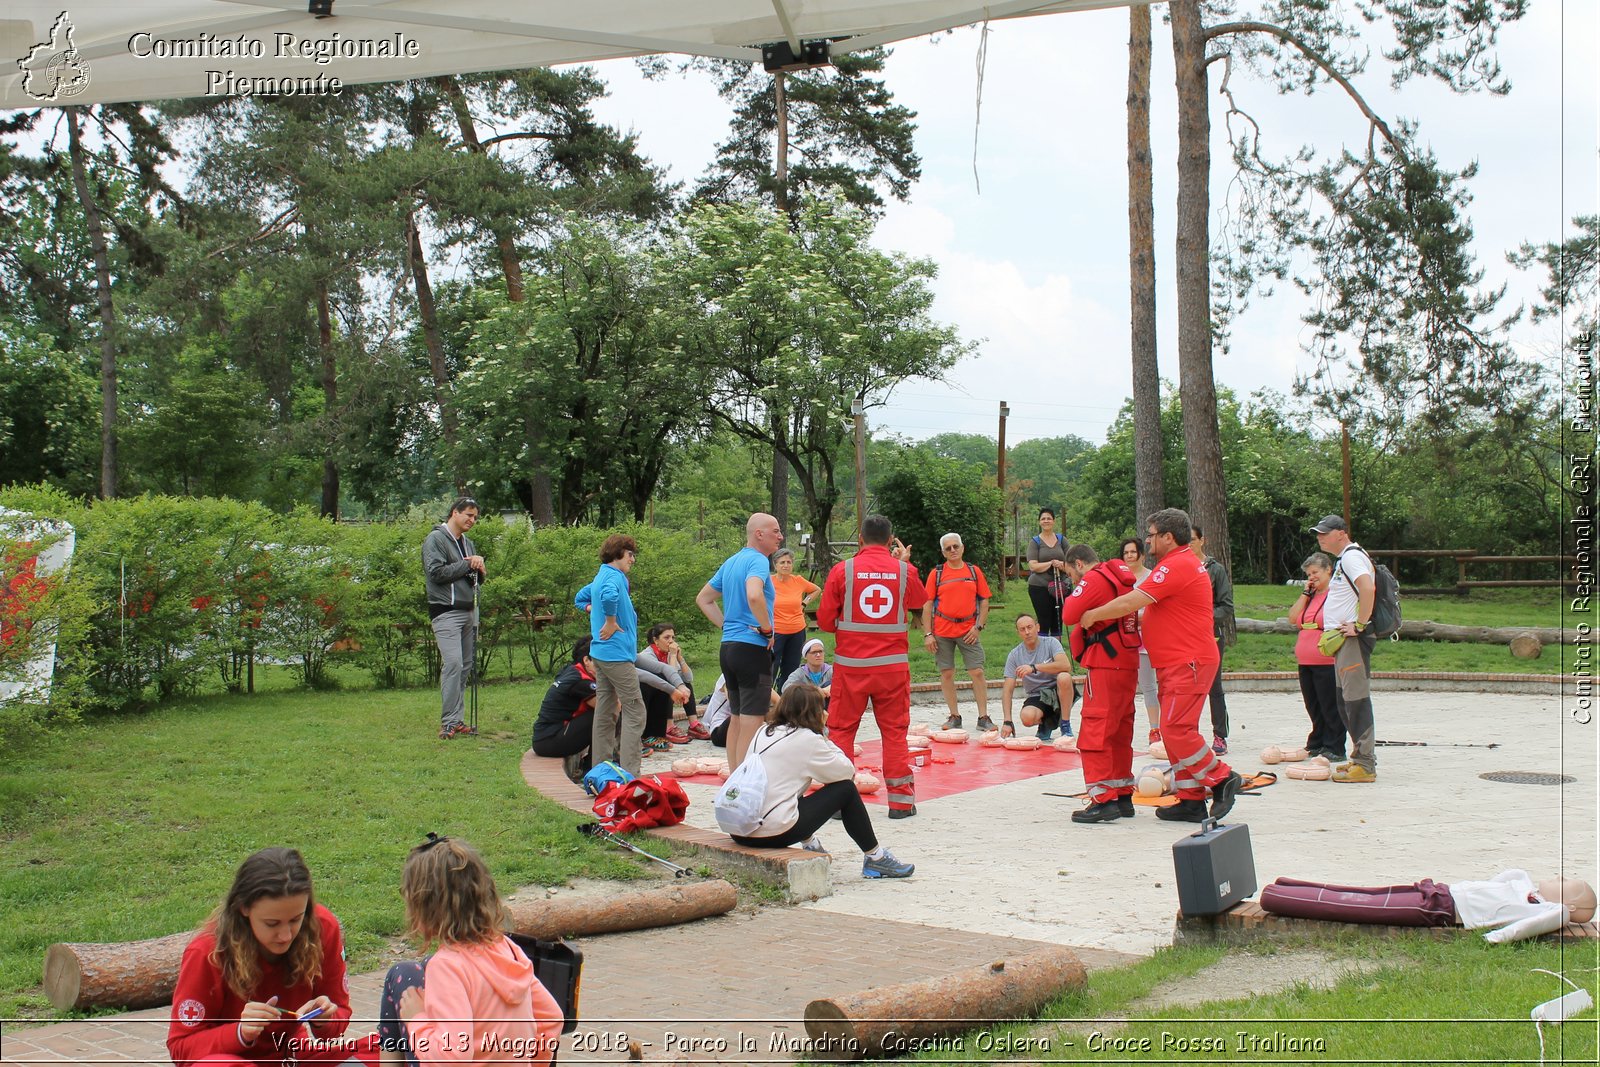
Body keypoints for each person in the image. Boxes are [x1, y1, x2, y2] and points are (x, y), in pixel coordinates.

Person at [1078, 508, 1241, 823]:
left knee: (1175, 729)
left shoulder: (1176, 565)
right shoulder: (1177, 564)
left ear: (1168, 537)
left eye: (1152, 534)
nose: (1147, 539)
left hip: (1187, 662)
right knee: (1177, 730)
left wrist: (1093, 614)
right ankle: (1192, 800)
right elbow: (1152, 612)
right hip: (1176, 662)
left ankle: (1221, 778)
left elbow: (1132, 601)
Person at [374, 834, 562, 1065]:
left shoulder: (447, 966)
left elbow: (451, 1056)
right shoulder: (508, 949)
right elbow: (552, 1017)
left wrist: (417, 1020)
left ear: (425, 906)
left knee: (401, 980)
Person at [167, 847, 352, 1066]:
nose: (285, 935)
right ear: (244, 907)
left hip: (292, 1055)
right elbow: (181, 1047)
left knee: (383, 1049)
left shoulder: (322, 927)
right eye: (271, 924)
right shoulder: (208, 952)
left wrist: (325, 1020)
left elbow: (339, 1013)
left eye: (296, 920)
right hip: (234, 1061)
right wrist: (240, 1033)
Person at [726, 685, 915, 878]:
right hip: (769, 834)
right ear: (812, 712)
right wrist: (822, 735)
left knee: (789, 788)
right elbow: (846, 771)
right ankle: (876, 858)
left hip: (739, 827)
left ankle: (812, 846)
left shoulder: (764, 731)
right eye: (821, 707)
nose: (825, 712)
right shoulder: (807, 739)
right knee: (846, 790)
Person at [818, 514, 927, 819]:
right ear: (891, 541)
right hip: (891, 671)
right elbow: (920, 598)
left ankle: (839, 803)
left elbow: (826, 621)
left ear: (860, 540)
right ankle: (901, 803)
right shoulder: (903, 571)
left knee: (841, 731)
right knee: (894, 733)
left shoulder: (843, 570)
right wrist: (905, 563)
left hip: (851, 668)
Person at [1058, 543, 1142, 823]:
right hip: (1127, 660)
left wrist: (1077, 591)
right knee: (1119, 730)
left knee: (1096, 731)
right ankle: (1122, 795)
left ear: (1079, 564)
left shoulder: (1094, 579)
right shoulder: (1120, 577)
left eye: (1072, 575)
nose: (1073, 581)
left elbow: (1069, 615)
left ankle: (1102, 799)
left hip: (1105, 662)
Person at [696, 513, 783, 770]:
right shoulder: (757, 560)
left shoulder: (732, 561)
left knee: (736, 717)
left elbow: (703, 599)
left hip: (729, 648)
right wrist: (767, 630)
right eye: (775, 531)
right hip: (752, 649)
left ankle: (734, 778)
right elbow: (754, 595)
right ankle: (744, 784)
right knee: (752, 720)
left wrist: (727, 625)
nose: (780, 536)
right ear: (759, 534)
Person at [1310, 514, 1379, 783]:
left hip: (1352, 641)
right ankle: (1358, 759)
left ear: (1341, 533)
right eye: (1318, 533)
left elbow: (1367, 587)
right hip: (1342, 641)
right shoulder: (1345, 559)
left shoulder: (1351, 557)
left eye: (1325, 532)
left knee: (1356, 701)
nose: (1320, 537)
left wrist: (1360, 624)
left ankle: (1365, 764)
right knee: (1345, 701)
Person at [577, 534, 645, 775]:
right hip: (615, 655)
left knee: (605, 710)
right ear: (618, 554)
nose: (633, 560)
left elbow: (580, 598)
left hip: (601, 654)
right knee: (635, 709)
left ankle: (600, 771)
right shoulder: (612, 578)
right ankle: (631, 775)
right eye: (630, 555)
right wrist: (610, 621)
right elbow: (608, 596)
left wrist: (591, 609)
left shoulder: (603, 575)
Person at [423, 497, 484, 740]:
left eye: (475, 517)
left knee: (464, 667)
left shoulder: (467, 543)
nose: (472, 520)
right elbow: (436, 573)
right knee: (453, 664)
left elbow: (471, 578)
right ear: (454, 513)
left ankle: (457, 720)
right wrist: (468, 564)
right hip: (445, 612)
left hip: (468, 610)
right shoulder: (435, 539)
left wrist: (479, 570)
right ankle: (448, 722)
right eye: (468, 515)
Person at [920, 532, 993, 731]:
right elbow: (927, 605)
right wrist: (928, 634)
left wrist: (978, 627)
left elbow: (984, 600)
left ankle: (983, 717)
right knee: (947, 672)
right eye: (948, 548)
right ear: (943, 552)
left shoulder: (973, 571)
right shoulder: (936, 574)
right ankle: (954, 716)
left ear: (962, 548)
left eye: (955, 546)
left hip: (969, 630)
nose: (952, 550)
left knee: (977, 671)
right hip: (942, 630)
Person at [1290, 552, 1346, 761]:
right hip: (1306, 659)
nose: (1312, 576)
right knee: (1312, 704)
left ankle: (1335, 745)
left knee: (1329, 704)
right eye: (1308, 573)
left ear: (1328, 570)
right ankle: (1318, 740)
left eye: (1315, 572)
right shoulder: (1311, 595)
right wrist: (1305, 593)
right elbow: (1293, 618)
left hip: (1326, 660)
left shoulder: (1336, 594)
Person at [530, 638, 600, 783]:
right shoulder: (581, 681)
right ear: (587, 660)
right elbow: (613, 708)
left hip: (544, 739)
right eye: (600, 662)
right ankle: (592, 768)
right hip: (551, 741)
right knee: (602, 716)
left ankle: (595, 763)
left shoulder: (571, 670)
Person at [1191, 524, 1235, 755]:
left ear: (1202, 541)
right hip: (1184, 638)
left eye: (1192, 540)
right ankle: (1188, 735)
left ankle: (1220, 736)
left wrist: (1203, 617)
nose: (1189, 544)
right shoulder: (1180, 567)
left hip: (1210, 635)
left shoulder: (1215, 569)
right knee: (1187, 686)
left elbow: (1226, 606)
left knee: (1213, 686)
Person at [998, 614, 1076, 741]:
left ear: (1037, 627)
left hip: (1058, 690)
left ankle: (1065, 724)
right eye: (1022, 629)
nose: (1027, 632)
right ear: (1018, 633)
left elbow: (1066, 665)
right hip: (1037, 695)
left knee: (1064, 677)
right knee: (1026, 718)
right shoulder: (1014, 655)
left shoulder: (1051, 642)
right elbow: (1008, 689)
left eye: (1030, 627)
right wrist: (1007, 721)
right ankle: (1046, 723)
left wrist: (1034, 667)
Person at [1120, 536, 1162, 748]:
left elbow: (1154, 610)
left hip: (1145, 638)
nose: (1129, 556)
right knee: (1123, 686)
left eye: (1133, 552)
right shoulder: (1118, 578)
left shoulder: (1151, 577)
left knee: (1148, 685)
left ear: (1141, 555)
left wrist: (1134, 619)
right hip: (1123, 639)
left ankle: (1155, 728)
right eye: (1126, 552)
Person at [770, 548, 820, 687]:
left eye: (789, 562)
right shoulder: (768, 581)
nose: (786, 565)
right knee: (772, 665)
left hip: (797, 630)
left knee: (791, 666)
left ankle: (786, 696)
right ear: (775, 565)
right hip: (776, 631)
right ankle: (768, 698)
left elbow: (816, 589)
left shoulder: (798, 580)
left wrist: (804, 603)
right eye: (782, 562)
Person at [640, 623, 696, 749]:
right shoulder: (647, 656)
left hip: (661, 690)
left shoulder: (669, 654)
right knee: (668, 685)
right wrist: (672, 657)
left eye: (673, 638)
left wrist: (680, 658)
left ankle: (694, 724)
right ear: (656, 640)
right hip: (648, 692)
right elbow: (666, 679)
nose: (671, 641)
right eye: (666, 638)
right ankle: (668, 726)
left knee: (685, 684)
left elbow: (688, 678)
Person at [1024, 507, 1069, 637]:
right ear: (1039, 522)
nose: (1046, 521)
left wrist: (1061, 565)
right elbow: (1033, 566)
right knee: (1044, 620)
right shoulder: (1035, 542)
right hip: (1039, 586)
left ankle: (1056, 651)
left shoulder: (1062, 540)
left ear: (1054, 521)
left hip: (1060, 586)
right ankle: (1042, 652)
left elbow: (1071, 564)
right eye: (1043, 519)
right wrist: (1050, 563)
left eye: (1049, 518)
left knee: (1058, 620)